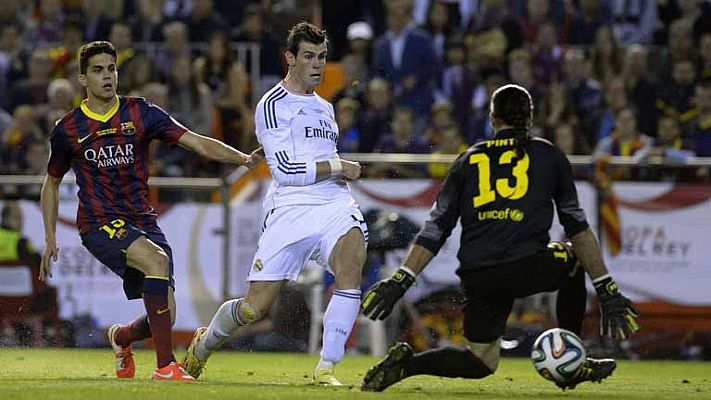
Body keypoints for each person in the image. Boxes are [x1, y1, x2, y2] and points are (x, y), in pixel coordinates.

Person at [360, 84, 640, 392]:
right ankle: (570, 359)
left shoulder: (468, 159)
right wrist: (606, 287)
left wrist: (401, 279)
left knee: (481, 360)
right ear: (530, 118)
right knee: (572, 259)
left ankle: (408, 364)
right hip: (525, 264)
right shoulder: (549, 156)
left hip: (479, 274)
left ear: (492, 119)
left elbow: (436, 228)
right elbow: (578, 228)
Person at [39, 41, 261, 382]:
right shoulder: (68, 129)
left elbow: (196, 141)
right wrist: (51, 236)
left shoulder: (141, 113)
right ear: (82, 78)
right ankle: (164, 367)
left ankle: (121, 337)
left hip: (142, 219)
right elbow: (51, 183)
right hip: (99, 224)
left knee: (166, 315)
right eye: (98, 70)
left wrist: (243, 158)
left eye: (111, 68)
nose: (107, 76)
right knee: (156, 261)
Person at [182, 22, 367, 386]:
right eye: (309, 57)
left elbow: (316, 160)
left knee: (351, 262)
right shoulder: (272, 105)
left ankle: (327, 367)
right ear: (290, 59)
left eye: (322, 57)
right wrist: (340, 165)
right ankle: (204, 345)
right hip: (290, 207)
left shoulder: (325, 108)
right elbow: (284, 170)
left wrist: (336, 173)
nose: (317, 65)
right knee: (254, 307)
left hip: (333, 201)